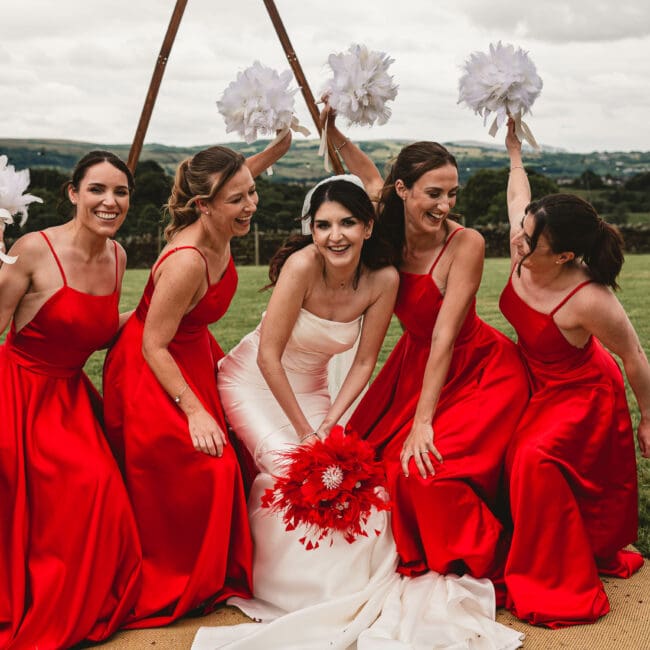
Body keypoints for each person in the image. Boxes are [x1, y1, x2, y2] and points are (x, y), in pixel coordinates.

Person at [192, 177, 524, 650]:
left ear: (368, 227)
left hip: (313, 390)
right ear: (312, 230)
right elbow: (268, 358)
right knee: (298, 476)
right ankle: (292, 589)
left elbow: (365, 361)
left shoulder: (383, 280)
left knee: (352, 479)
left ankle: (355, 584)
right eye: (323, 225)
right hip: (255, 382)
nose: (335, 236)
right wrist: (307, 432)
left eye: (347, 223)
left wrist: (330, 424)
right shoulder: (302, 266)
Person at [323, 108, 530, 598]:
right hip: (413, 366)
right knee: (359, 464)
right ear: (402, 191)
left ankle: (486, 553)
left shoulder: (467, 243)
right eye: (433, 193)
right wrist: (331, 130)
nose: (444, 204)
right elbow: (364, 168)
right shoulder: (384, 226)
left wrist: (423, 420)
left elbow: (443, 336)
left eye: (451, 193)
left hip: (479, 370)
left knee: (421, 471)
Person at [102, 135, 291, 628]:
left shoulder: (218, 209)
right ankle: (181, 575)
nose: (250, 204)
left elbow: (241, 172)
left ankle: (218, 568)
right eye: (238, 199)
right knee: (208, 467)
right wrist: (195, 410)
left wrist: (280, 144)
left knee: (240, 450)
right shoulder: (188, 260)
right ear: (203, 206)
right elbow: (152, 345)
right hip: (152, 369)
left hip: (193, 354)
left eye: (252, 191)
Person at [499, 118, 649, 627]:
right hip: (530, 376)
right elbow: (518, 192)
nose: (517, 243)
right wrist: (515, 154)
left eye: (529, 242)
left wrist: (648, 419)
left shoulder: (590, 297)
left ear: (564, 254)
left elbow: (634, 358)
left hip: (581, 392)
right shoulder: (528, 234)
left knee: (531, 458)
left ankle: (550, 576)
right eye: (521, 231)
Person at [0, 151, 141, 649]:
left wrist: (159, 310)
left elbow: (96, 331)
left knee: (112, 491)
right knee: (86, 485)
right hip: (20, 394)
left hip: (73, 396)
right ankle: (53, 603)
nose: (109, 200)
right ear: (73, 194)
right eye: (97, 189)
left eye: (120, 191)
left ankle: (90, 598)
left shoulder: (120, 256)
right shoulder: (32, 249)